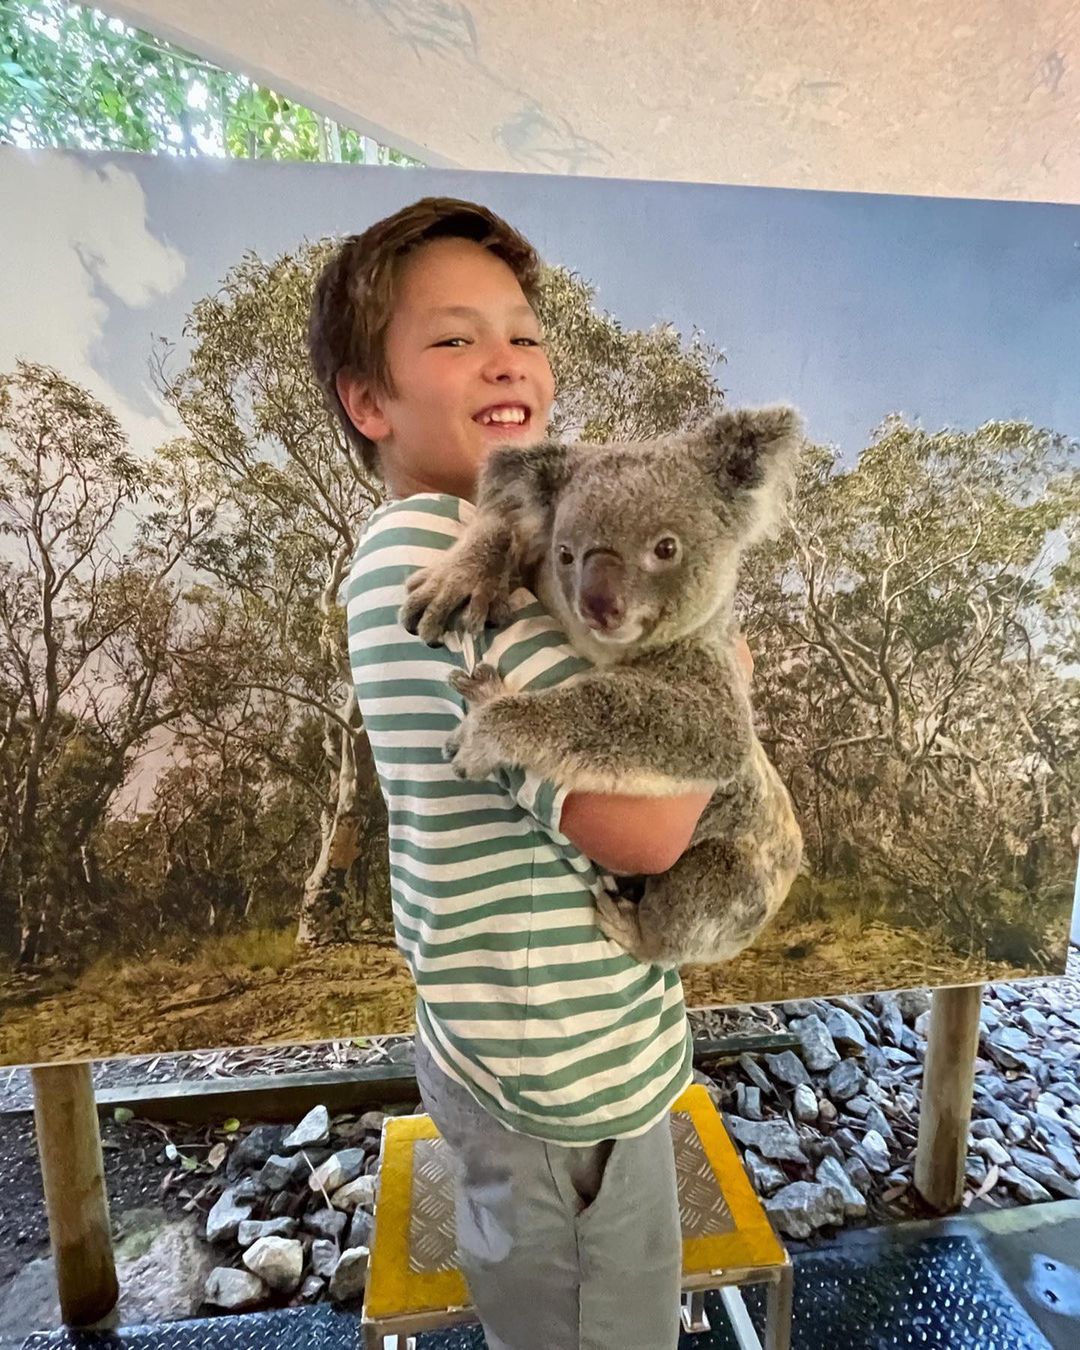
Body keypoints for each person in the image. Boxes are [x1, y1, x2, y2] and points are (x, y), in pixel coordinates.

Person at [308, 196, 748, 1349]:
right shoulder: (430, 554)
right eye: (456, 338)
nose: (507, 358)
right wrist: (725, 676)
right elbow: (644, 831)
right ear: (369, 401)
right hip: (555, 1081)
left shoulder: (497, 547)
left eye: (524, 333)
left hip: (547, 1042)